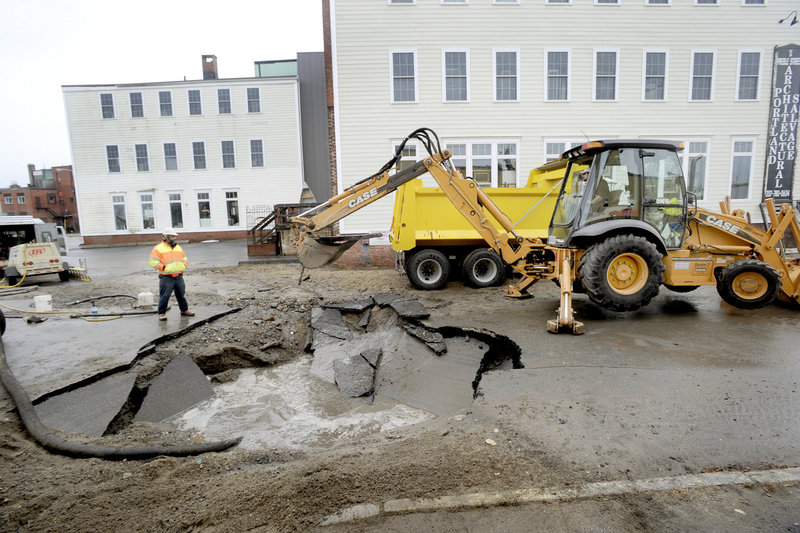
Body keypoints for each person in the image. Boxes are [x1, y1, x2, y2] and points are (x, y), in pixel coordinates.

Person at [148, 228, 195, 320]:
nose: (174, 238)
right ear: (166, 237)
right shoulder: (158, 248)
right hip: (166, 277)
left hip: (178, 276)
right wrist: (163, 268)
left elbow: (184, 258)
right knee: (165, 295)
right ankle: (161, 313)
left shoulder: (178, 247)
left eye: (174, 236)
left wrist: (184, 265)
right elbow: (152, 261)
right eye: (172, 236)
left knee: (181, 294)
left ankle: (184, 310)